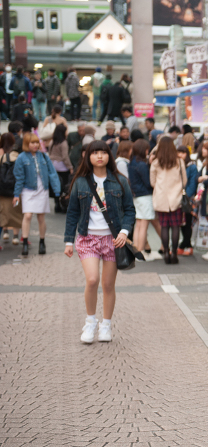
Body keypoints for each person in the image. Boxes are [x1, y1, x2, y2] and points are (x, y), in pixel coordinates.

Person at [64, 140, 135, 344]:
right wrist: (69, 241)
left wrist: (124, 231)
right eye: (95, 153)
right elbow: (72, 213)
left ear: (108, 155)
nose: (99, 156)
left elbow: (130, 209)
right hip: (88, 238)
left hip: (113, 240)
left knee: (108, 284)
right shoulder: (81, 182)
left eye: (103, 152)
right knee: (92, 280)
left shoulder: (119, 181)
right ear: (89, 157)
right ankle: (90, 321)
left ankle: (106, 324)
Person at [12, 132, 60, 256]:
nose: (35, 145)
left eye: (36, 142)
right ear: (26, 144)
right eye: (32, 142)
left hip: (42, 189)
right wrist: (16, 194)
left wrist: (57, 190)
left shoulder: (43, 156)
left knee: (41, 217)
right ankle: (25, 242)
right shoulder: (21, 157)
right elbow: (19, 178)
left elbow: (52, 173)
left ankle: (42, 242)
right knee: (27, 216)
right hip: (28, 190)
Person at [150, 136, 187, 264]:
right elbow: (184, 180)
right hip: (175, 198)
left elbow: (152, 182)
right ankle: (174, 253)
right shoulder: (179, 161)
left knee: (164, 227)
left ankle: (166, 252)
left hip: (161, 198)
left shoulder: (156, 162)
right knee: (175, 226)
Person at [128, 139, 161, 262]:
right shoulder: (141, 165)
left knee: (139, 225)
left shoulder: (131, 163)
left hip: (137, 196)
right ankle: (141, 252)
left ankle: (137, 251)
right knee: (144, 225)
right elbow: (148, 182)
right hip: (145, 196)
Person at [0, 133, 22, 245]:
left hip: (1, 189)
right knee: (15, 212)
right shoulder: (16, 155)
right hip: (14, 189)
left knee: (2, 212)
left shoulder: (1, 154)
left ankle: (5, 233)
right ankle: (16, 236)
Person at [177, 145, 198, 256]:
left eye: (183, 152)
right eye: (179, 152)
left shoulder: (192, 166)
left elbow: (192, 183)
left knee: (188, 222)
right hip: (179, 197)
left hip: (187, 199)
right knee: (182, 223)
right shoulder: (178, 164)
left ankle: (183, 245)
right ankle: (188, 246)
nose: (180, 155)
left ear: (187, 154)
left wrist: (186, 197)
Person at [48, 124, 73, 213]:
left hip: (52, 165)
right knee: (63, 186)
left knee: (55, 185)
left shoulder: (52, 142)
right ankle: (63, 204)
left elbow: (50, 154)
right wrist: (70, 167)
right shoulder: (63, 143)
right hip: (61, 167)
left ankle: (56, 204)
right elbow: (65, 157)